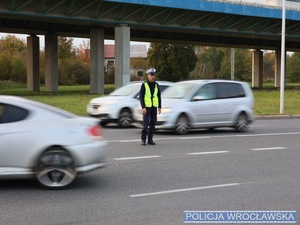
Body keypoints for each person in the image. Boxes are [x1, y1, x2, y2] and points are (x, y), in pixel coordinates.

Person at [139, 68, 161, 145]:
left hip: (154, 107)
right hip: (147, 108)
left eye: (154, 75)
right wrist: (143, 107)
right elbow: (141, 97)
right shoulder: (144, 85)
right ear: (148, 76)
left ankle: (150, 139)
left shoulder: (156, 85)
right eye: (151, 75)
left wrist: (159, 107)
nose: (153, 77)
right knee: (145, 124)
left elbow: (158, 96)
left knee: (153, 124)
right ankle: (143, 139)